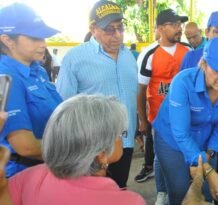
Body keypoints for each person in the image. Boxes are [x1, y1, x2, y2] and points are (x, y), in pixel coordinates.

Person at [5, 95, 145, 205]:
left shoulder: (28, 177)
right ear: (101, 155)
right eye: (121, 134)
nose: (123, 138)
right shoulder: (128, 202)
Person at [56, 0, 138, 188]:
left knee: (119, 189)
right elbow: (63, 107)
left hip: (126, 141)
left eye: (120, 28)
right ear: (93, 28)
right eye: (110, 29)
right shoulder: (75, 58)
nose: (117, 35)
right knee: (92, 194)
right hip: (93, 147)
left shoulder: (129, 57)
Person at [153, 36, 218, 205]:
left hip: (205, 139)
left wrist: (208, 154)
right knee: (181, 191)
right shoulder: (183, 82)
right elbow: (180, 133)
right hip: (172, 139)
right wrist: (207, 170)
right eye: (217, 71)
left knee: (209, 192)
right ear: (204, 64)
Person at [0, 3, 62, 177]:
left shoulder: (38, 70)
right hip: (21, 177)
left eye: (43, 37)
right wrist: (76, 150)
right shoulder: (5, 78)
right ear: (8, 40)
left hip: (48, 169)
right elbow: (25, 146)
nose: (43, 43)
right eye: (35, 38)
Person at [136, 8, 190, 204]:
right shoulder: (149, 54)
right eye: (174, 25)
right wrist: (142, 120)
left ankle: (175, 189)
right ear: (160, 28)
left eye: (180, 25)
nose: (179, 29)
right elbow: (141, 91)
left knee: (179, 153)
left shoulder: (188, 50)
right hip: (159, 118)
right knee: (160, 155)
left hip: (185, 116)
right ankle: (162, 191)